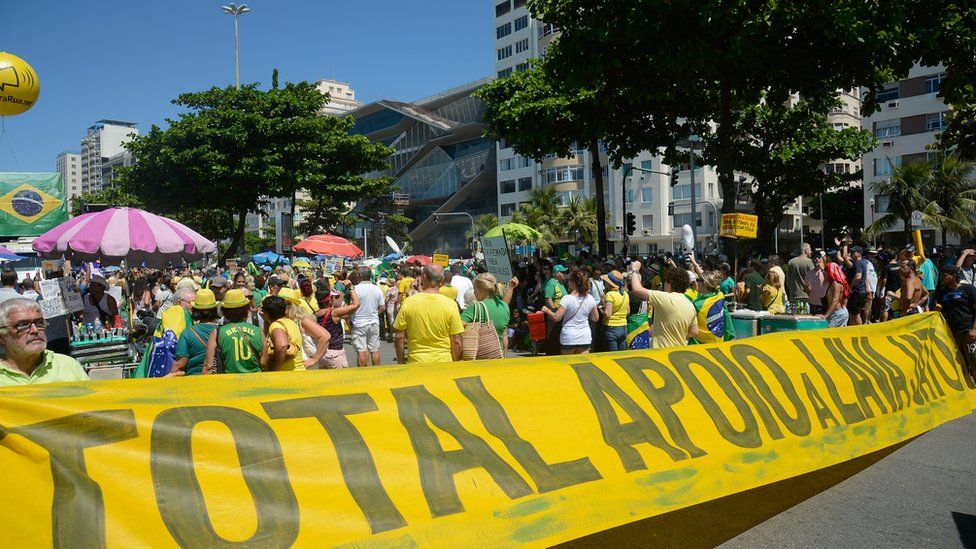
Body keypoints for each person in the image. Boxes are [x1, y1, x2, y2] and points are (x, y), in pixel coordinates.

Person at [0, 299, 88, 386]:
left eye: (39, 322)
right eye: (23, 325)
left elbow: (90, 398)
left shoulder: (67, 364)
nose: (35, 330)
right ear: (2, 336)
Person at [392, 265, 464, 364]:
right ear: (442, 279)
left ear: (424, 277)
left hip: (417, 362)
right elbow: (456, 340)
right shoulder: (450, 304)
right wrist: (455, 362)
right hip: (444, 363)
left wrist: (400, 361)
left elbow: (399, 336)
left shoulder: (409, 302)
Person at [628, 261, 698, 349]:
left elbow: (637, 289)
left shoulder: (664, 298)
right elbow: (694, 331)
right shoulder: (689, 304)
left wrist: (635, 270)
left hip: (661, 351)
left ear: (669, 283)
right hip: (680, 350)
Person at [204, 289, 263, 374]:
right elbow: (263, 362)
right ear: (246, 310)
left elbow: (208, 365)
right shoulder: (258, 331)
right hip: (255, 381)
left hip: (229, 382)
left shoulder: (217, 332)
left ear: (225, 312)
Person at [543, 269, 599, 354]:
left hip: (569, 337)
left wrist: (547, 310)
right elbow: (595, 318)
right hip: (584, 337)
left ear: (572, 282)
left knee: (567, 364)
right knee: (582, 365)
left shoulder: (567, 298)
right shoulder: (590, 298)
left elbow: (556, 317)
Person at [934, 265, 976, 377]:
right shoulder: (942, 292)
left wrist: (974, 330)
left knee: (974, 365)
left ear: (953, 276)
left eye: (944, 275)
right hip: (953, 335)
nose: (941, 278)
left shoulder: (968, 289)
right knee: (961, 366)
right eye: (941, 275)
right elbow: (940, 313)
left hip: (969, 333)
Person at [278, 288, 330, 369]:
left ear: (290, 305)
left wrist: (315, 359)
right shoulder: (286, 319)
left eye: (281, 304)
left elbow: (325, 336)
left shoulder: (302, 319)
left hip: (303, 365)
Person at [171, 289, 219, 376]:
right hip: (220, 380)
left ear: (195, 310)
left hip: (193, 381)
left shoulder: (188, 333)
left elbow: (180, 363)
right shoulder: (222, 331)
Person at [461, 273, 513, 352]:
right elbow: (504, 335)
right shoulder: (504, 306)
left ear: (481, 290)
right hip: (498, 354)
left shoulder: (476, 307)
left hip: (479, 356)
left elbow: (457, 328)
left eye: (475, 289)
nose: (474, 292)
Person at [347, 267, 385, 367]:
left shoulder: (355, 289)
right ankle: (376, 372)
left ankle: (362, 373)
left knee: (361, 351)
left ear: (360, 275)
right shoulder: (377, 289)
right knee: (374, 349)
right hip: (373, 322)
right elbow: (382, 307)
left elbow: (353, 306)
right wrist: (374, 313)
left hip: (359, 322)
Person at [260, 295, 306, 372]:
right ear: (285, 310)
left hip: (286, 374)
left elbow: (282, 346)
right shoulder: (291, 322)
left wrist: (275, 367)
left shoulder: (276, 325)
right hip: (298, 371)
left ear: (266, 313)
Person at [315, 289, 359, 369]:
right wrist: (351, 288)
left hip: (321, 353)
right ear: (329, 301)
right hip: (335, 354)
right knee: (342, 380)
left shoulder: (316, 314)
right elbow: (356, 304)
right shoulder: (334, 313)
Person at [689, 270, 735, 344]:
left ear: (704, 283)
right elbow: (727, 321)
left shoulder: (697, 304)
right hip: (719, 341)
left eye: (698, 280)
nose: (696, 282)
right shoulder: (720, 296)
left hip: (701, 344)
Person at [600, 270, 630, 351]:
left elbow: (608, 314)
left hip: (611, 328)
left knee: (611, 356)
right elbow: (628, 311)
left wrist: (600, 309)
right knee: (621, 356)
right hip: (623, 327)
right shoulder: (625, 294)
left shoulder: (610, 294)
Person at [786, 243, 815, 313]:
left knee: (794, 318)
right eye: (810, 249)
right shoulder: (810, 262)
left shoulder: (791, 262)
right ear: (806, 250)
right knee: (805, 319)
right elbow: (813, 279)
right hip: (806, 298)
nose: (811, 252)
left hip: (793, 297)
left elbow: (788, 280)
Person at [822, 262, 850, 327]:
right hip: (840, 312)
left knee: (829, 334)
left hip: (837, 314)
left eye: (825, 271)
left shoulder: (835, 284)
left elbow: (835, 301)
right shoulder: (840, 283)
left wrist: (826, 316)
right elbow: (845, 300)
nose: (824, 274)